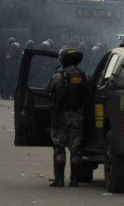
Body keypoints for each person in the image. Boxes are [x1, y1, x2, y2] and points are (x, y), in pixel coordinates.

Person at [46, 48, 88, 188]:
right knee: (76, 149)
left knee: (59, 147)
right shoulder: (84, 76)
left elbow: (47, 90)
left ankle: (59, 180)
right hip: (78, 116)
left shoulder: (58, 76)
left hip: (61, 117)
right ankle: (75, 180)